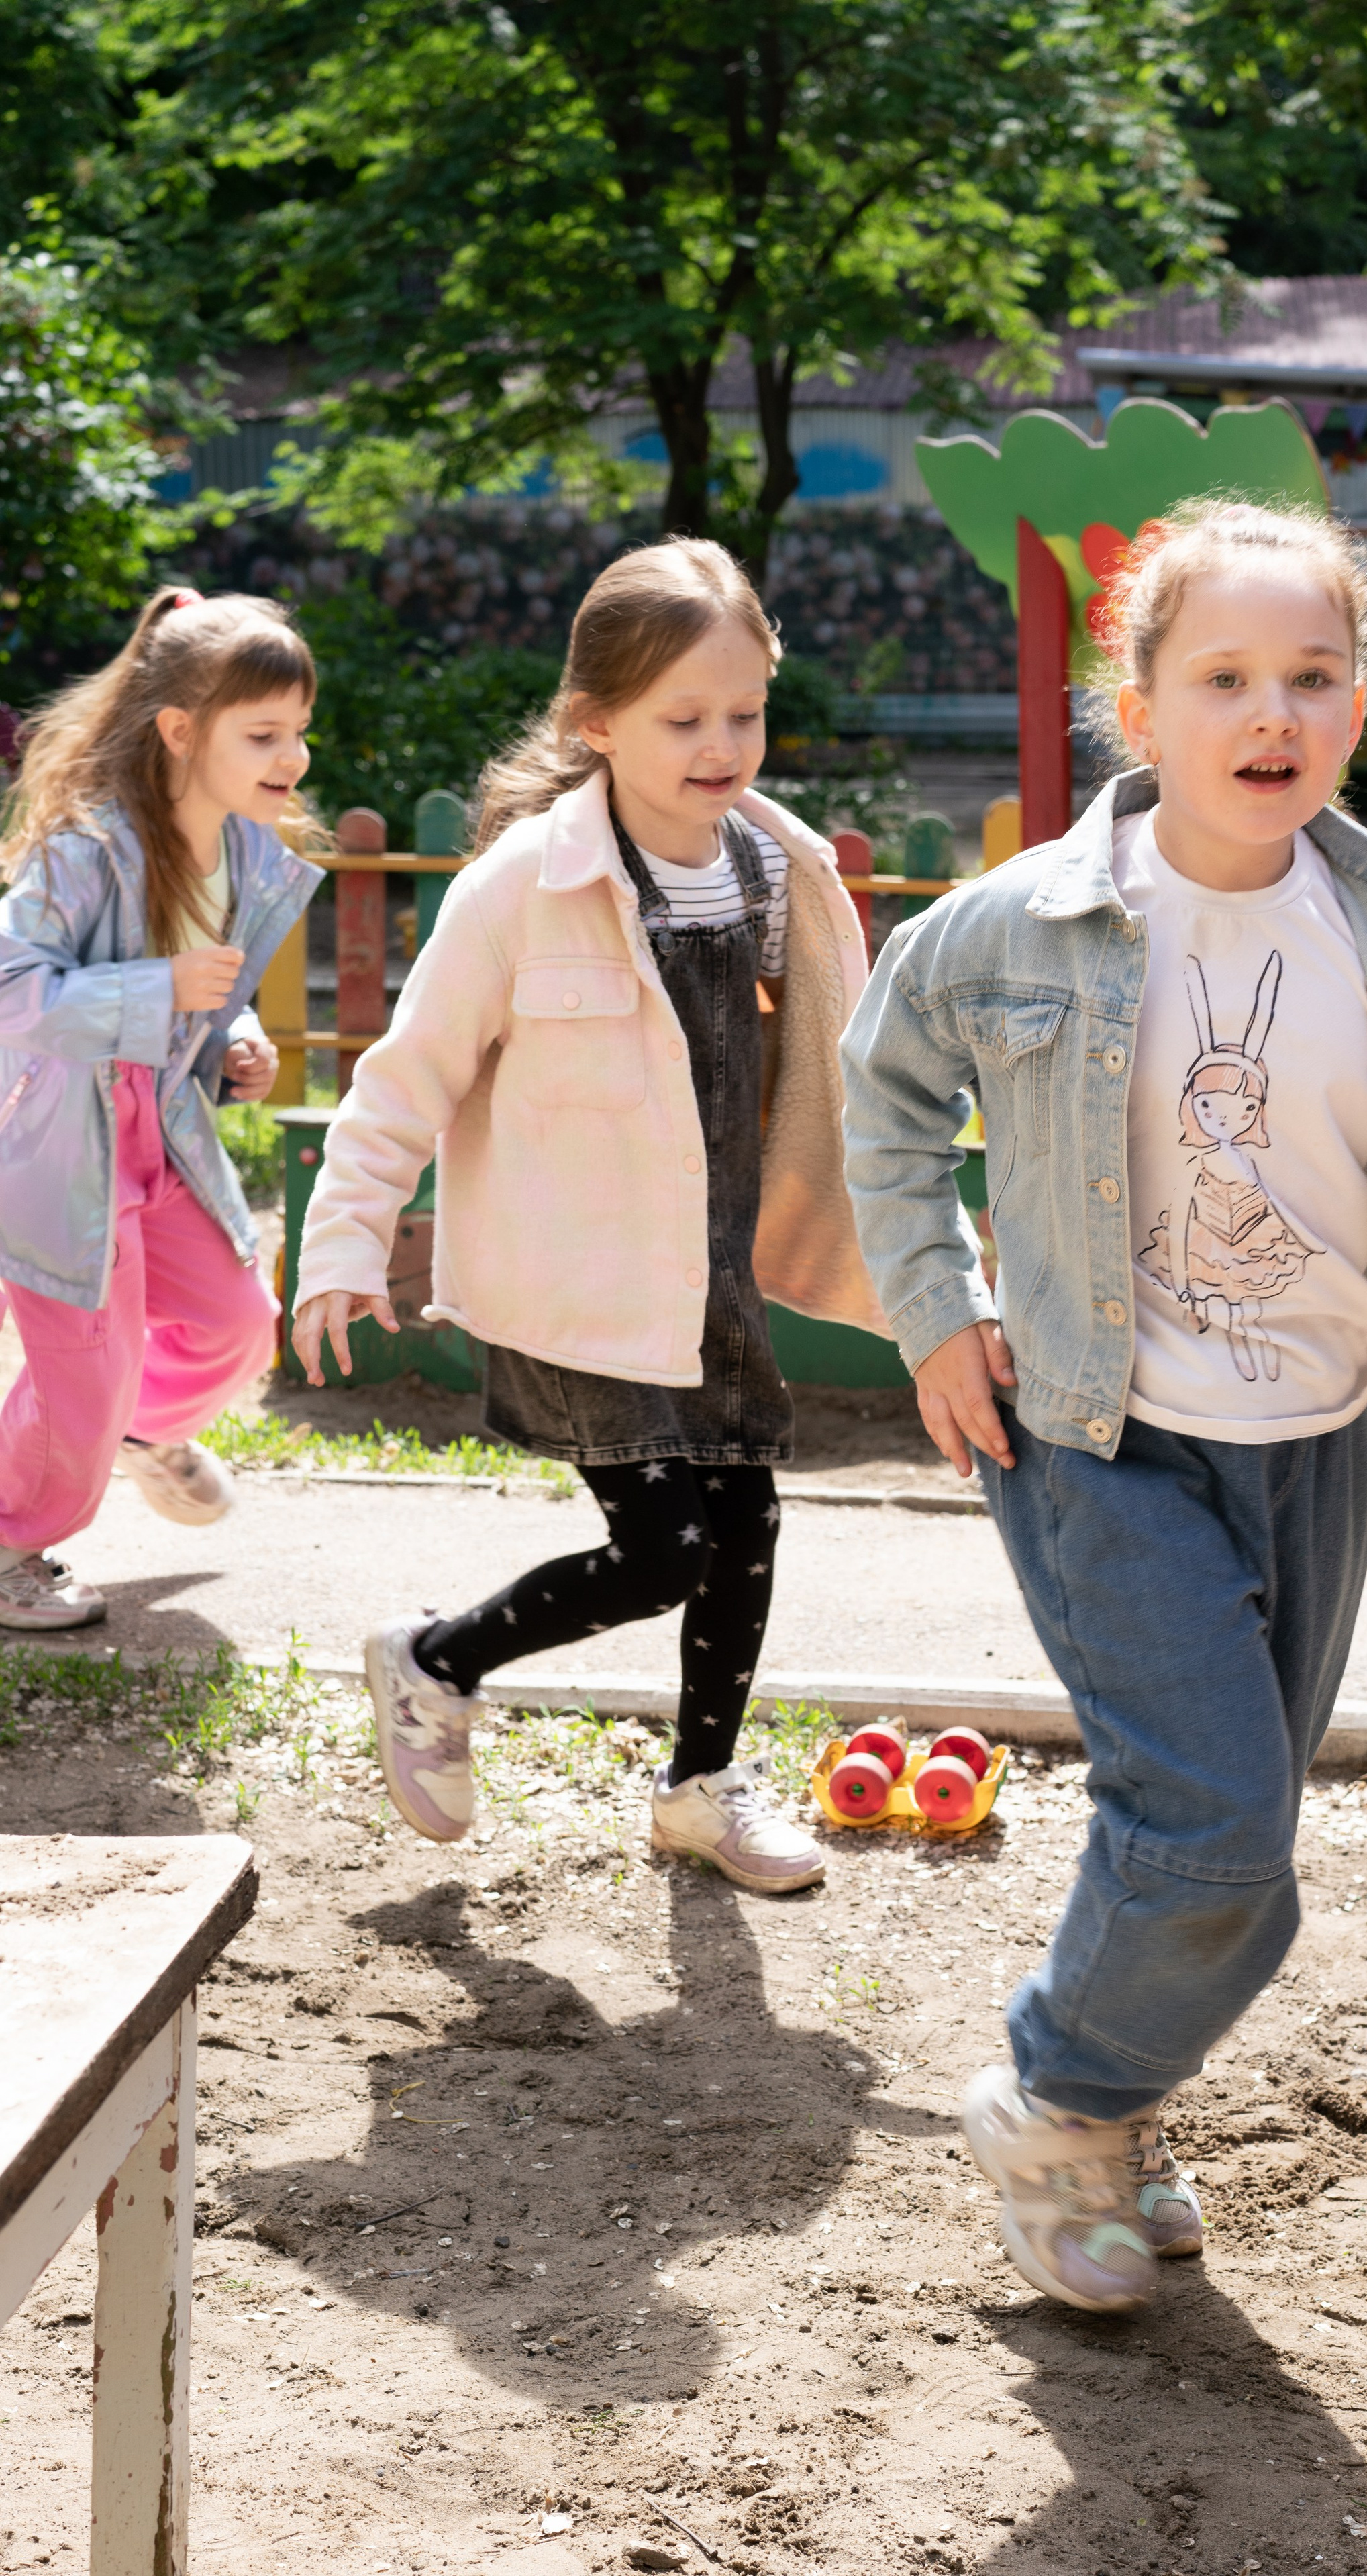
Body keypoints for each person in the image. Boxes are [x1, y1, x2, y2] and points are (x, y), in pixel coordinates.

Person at [840, 498, 1367, 2312]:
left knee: (1214, 1817)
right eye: (1223, 675)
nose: (1270, 708)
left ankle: (1118, 2103)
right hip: (1092, 1430)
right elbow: (887, 1096)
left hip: (1317, 1431)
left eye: (1311, 673)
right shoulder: (1017, 928)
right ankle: (1060, 2093)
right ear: (1139, 714)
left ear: (1358, 707)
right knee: (1224, 1834)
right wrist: (935, 1306)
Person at [292, 538, 882, 1883]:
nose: (721, 742)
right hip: (577, 1276)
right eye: (682, 718)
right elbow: (405, 1077)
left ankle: (700, 1786)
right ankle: (436, 1658)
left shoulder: (774, 873)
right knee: (666, 1546)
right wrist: (343, 1243)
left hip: (703, 1270)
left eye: (745, 712)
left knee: (745, 1523)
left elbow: (846, 1077)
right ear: (595, 723)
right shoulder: (523, 886)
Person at [0, 588, 323, 1629]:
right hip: (57, 1147)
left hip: (159, 1135)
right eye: (264, 733)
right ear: (182, 731)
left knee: (236, 1325)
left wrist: (226, 1042)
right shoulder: (85, 848)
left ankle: (132, 1434)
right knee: (84, 1375)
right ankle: (10, 1540)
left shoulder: (242, 854)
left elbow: (193, 1010)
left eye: (300, 733)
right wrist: (158, 993)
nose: (295, 758)